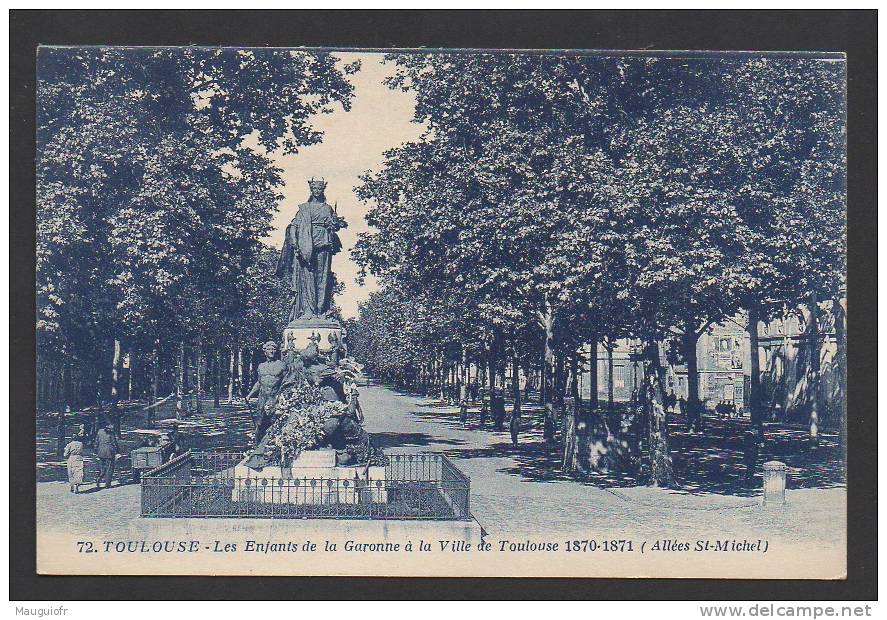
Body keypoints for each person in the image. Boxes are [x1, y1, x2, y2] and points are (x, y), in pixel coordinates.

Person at [94, 423, 119, 489]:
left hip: (101, 452)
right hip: (109, 453)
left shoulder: (99, 431)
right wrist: (117, 451)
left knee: (102, 468)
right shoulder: (111, 433)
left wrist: (96, 450)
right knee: (109, 469)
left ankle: (98, 479)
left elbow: (96, 442)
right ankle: (108, 484)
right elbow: (114, 443)